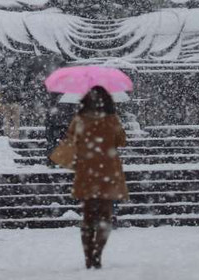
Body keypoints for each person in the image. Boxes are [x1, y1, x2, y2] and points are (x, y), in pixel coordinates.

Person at [65, 86, 129, 269]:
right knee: (105, 216)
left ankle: (88, 255)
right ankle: (98, 254)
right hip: (108, 172)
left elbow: (71, 141)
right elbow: (121, 141)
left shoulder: (79, 120)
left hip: (87, 171)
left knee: (87, 217)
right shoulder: (112, 120)